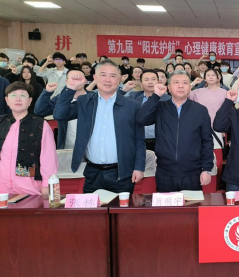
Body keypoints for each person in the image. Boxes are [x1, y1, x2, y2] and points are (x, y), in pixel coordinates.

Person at [0, 82, 58, 277]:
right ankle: (9, 274)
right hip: (2, 187)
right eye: (13, 95)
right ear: (6, 100)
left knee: (27, 233)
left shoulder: (39, 124)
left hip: (29, 186)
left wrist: (47, 187)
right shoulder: (1, 122)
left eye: (23, 95)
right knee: (5, 234)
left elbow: (48, 158)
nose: (18, 99)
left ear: (30, 100)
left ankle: (28, 273)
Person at [53, 60, 145, 193]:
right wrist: (70, 88)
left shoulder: (132, 105)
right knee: (91, 206)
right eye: (103, 75)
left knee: (122, 207)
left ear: (119, 79)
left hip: (122, 173)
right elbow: (60, 115)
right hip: (92, 172)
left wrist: (139, 167)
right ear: (95, 78)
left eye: (112, 76)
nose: (107, 80)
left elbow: (139, 139)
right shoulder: (85, 101)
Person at [136, 70, 214, 192]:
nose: (181, 86)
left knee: (192, 204)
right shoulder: (161, 107)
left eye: (185, 83)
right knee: (167, 204)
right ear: (168, 87)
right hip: (165, 172)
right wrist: (156, 96)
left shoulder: (200, 110)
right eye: (176, 82)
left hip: (192, 172)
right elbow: (141, 119)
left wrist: (207, 169)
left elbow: (207, 141)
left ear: (190, 87)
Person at [35, 69, 89, 149]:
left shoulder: (92, 99)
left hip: (89, 147)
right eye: (73, 78)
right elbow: (40, 111)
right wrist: (47, 92)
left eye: (79, 78)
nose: (76, 80)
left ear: (85, 81)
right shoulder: (60, 99)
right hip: (66, 147)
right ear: (66, 81)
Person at [128, 69, 171, 152]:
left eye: (153, 79)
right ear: (141, 84)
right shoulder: (133, 97)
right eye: (146, 79)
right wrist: (124, 90)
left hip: (161, 141)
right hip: (138, 141)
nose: (150, 82)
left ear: (158, 82)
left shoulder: (168, 99)